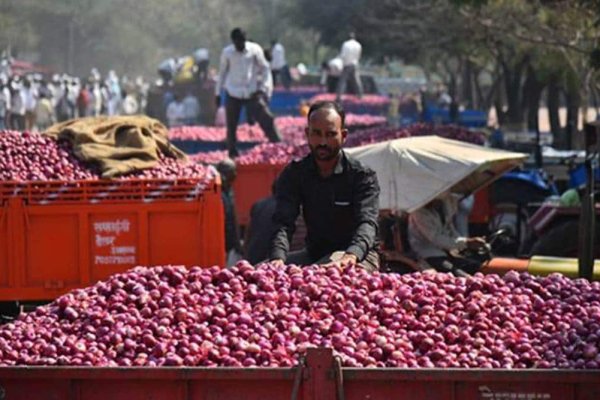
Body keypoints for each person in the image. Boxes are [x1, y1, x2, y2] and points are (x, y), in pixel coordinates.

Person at [269, 101, 381, 270]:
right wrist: (277, 258)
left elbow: (367, 223)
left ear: (343, 136)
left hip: (358, 255)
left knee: (324, 276)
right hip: (315, 254)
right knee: (261, 273)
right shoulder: (295, 174)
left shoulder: (361, 176)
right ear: (307, 133)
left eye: (330, 134)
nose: (322, 142)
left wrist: (352, 254)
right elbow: (283, 222)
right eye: (316, 133)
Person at [215, 28, 281, 158]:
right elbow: (222, 73)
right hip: (233, 92)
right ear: (233, 41)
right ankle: (232, 153)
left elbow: (265, 68)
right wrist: (217, 93)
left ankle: (278, 143)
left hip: (251, 92)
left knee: (266, 118)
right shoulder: (227, 53)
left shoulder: (254, 50)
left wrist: (265, 89)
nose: (240, 44)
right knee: (232, 125)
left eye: (242, 41)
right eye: (237, 42)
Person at [408, 192, 486, 275]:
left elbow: (450, 229)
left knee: (476, 267)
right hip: (428, 253)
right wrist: (466, 243)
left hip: (447, 252)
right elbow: (436, 238)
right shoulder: (419, 213)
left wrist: (465, 242)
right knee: (459, 275)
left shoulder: (441, 208)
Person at [217, 159, 243, 265]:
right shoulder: (216, 192)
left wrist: (236, 243)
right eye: (233, 172)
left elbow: (232, 218)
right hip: (220, 241)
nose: (235, 175)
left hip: (228, 241)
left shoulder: (229, 190)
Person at [336, 32, 363, 101]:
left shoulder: (345, 44)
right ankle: (360, 95)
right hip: (355, 64)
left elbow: (343, 55)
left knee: (342, 81)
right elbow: (359, 56)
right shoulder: (358, 45)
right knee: (357, 80)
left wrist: (342, 62)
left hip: (347, 64)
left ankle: (339, 96)